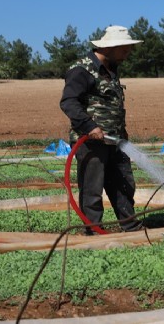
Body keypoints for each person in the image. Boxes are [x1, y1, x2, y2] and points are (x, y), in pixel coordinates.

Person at [60, 25, 144, 234]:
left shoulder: (111, 68)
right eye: (124, 48)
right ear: (110, 47)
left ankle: (131, 227)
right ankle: (93, 231)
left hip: (115, 141)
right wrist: (90, 127)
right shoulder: (82, 70)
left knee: (124, 184)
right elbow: (69, 102)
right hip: (91, 142)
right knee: (92, 190)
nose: (128, 52)